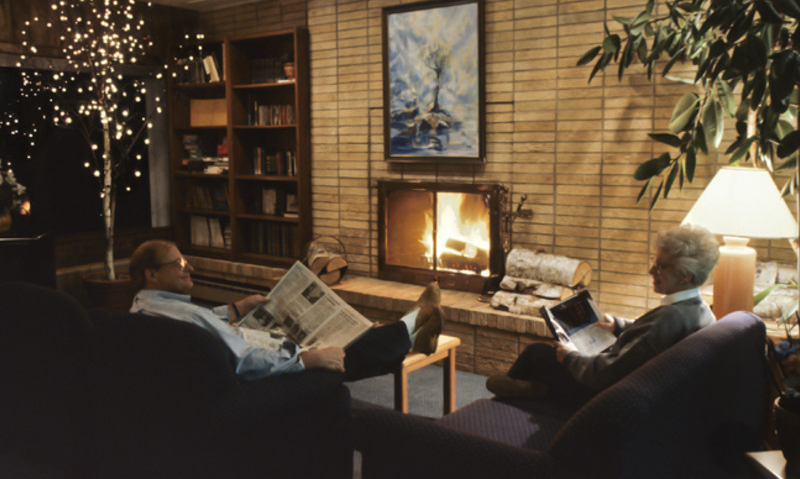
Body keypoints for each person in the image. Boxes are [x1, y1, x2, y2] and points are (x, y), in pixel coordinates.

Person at [128, 239, 443, 382]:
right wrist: (307, 360)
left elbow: (205, 326)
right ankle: (412, 323)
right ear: (151, 274)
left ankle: (409, 335)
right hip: (258, 372)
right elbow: (246, 363)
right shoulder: (188, 317)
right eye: (179, 264)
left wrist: (236, 308)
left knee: (352, 341)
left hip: (239, 349)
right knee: (347, 349)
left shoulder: (143, 309)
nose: (189, 267)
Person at [486, 224, 719, 403]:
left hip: (602, 394)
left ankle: (505, 406)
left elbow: (607, 375)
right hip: (634, 384)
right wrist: (618, 325)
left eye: (660, 266)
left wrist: (570, 358)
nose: (650, 270)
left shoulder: (670, 317)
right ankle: (536, 390)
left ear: (685, 275)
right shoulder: (698, 310)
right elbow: (651, 340)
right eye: (654, 261)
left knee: (538, 353)